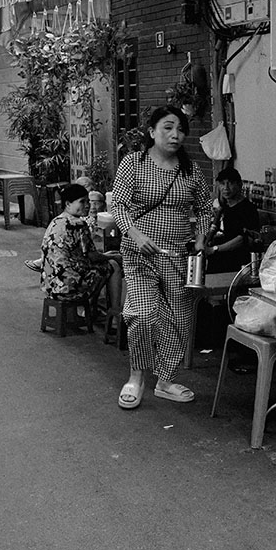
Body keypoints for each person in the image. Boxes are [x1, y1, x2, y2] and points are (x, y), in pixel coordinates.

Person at [108, 106, 211, 410]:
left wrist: (202, 238)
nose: (175, 134)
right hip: (140, 254)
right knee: (141, 314)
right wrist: (137, 236)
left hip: (179, 256)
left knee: (178, 320)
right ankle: (136, 377)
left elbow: (205, 208)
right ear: (151, 131)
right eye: (167, 127)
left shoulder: (191, 170)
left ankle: (165, 380)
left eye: (180, 129)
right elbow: (120, 207)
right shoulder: (133, 164)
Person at [39, 184, 112, 302]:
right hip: (69, 288)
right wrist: (111, 256)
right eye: (82, 202)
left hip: (49, 286)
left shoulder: (55, 221)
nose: (87, 205)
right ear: (68, 204)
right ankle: (102, 308)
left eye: (88, 201)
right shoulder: (78, 224)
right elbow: (92, 256)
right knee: (110, 266)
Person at [204, 167, 260, 274]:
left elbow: (241, 240)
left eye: (230, 183)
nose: (226, 188)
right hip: (223, 258)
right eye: (222, 183)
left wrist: (214, 249)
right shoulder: (226, 206)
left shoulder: (248, 209)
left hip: (237, 263)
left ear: (239, 185)